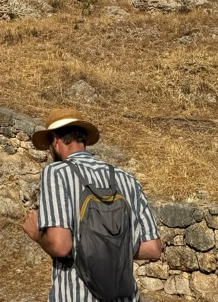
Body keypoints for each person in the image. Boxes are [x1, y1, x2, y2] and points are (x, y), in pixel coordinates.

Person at [22, 108, 162, 302]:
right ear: (84, 139)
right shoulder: (126, 179)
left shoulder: (56, 172)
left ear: (55, 139)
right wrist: (112, 246)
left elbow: (61, 245)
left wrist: (36, 234)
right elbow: (153, 247)